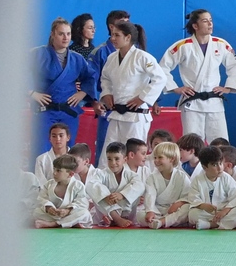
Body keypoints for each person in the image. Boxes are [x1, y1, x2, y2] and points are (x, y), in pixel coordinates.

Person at [160, 8, 236, 143]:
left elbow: (235, 66)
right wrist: (175, 88)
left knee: (220, 143)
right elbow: (162, 68)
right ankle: (193, 165)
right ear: (195, 26)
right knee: (192, 144)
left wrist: (228, 87)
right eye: (205, 21)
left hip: (214, 102)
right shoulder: (182, 46)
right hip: (192, 102)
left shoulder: (221, 44)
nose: (210, 24)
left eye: (211, 20)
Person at [30, 17, 95, 165]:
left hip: (68, 111)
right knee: (42, 151)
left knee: (68, 151)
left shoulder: (77, 58)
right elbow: (17, 71)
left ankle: (66, 183)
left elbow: (90, 77)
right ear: (52, 34)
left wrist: (83, 92)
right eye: (61, 33)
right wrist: (32, 93)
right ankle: (39, 185)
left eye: (68, 33)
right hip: (45, 111)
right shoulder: (38, 54)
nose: (66, 37)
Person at [99, 20, 166, 155]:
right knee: (110, 155)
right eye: (112, 35)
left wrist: (142, 98)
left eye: (117, 35)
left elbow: (160, 78)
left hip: (136, 116)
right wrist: (106, 93)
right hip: (116, 113)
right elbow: (105, 78)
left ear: (128, 37)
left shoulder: (142, 57)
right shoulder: (112, 58)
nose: (112, 39)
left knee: (132, 155)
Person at [87, 9, 131, 163]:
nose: (128, 27)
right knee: (107, 147)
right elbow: (92, 79)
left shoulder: (136, 53)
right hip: (108, 107)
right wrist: (96, 100)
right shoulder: (100, 52)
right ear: (112, 27)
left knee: (130, 148)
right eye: (123, 24)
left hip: (130, 108)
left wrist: (154, 100)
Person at [186, 146, 236, 230]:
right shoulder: (197, 180)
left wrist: (225, 211)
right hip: (208, 212)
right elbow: (193, 198)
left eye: (220, 163)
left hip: (225, 211)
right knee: (193, 214)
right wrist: (202, 205)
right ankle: (231, 223)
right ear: (204, 167)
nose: (219, 168)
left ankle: (212, 225)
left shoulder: (226, 178)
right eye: (214, 165)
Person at [86, 141, 144, 228]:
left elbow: (140, 186)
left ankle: (120, 217)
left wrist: (122, 195)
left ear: (125, 159)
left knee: (137, 187)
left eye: (117, 159)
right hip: (108, 213)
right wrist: (105, 196)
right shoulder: (101, 174)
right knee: (95, 190)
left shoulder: (131, 175)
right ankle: (115, 217)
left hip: (128, 214)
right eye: (109, 159)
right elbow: (90, 186)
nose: (113, 163)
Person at [33, 155, 93, 229]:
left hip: (69, 214)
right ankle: (70, 223)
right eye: (54, 169)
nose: (54, 173)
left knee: (85, 213)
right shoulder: (49, 184)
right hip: (53, 215)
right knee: (36, 212)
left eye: (58, 171)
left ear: (70, 174)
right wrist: (48, 207)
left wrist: (68, 210)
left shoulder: (78, 186)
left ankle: (54, 224)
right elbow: (41, 198)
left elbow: (82, 203)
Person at [142, 142, 191, 228]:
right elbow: (150, 194)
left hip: (174, 209)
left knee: (187, 209)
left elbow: (188, 196)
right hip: (157, 209)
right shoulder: (152, 177)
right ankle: (166, 221)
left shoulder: (182, 176)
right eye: (155, 158)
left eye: (160, 157)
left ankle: (161, 222)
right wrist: (150, 210)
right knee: (140, 214)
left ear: (172, 159)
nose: (156, 161)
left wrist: (179, 203)